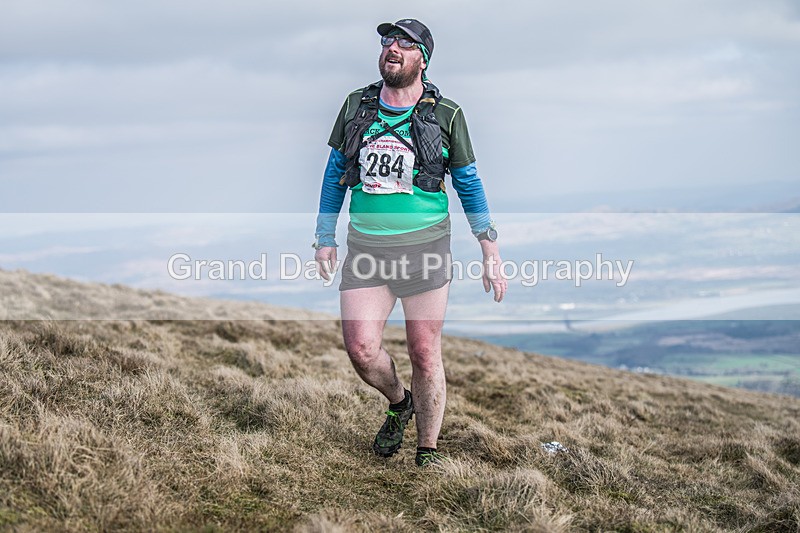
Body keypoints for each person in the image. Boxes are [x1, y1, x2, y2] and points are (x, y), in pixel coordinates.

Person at [313, 18, 506, 467]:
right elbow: (333, 175)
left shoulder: (447, 115)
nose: (392, 47)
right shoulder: (356, 105)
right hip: (366, 251)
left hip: (426, 249)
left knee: (424, 350)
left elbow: (469, 183)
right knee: (361, 349)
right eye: (387, 41)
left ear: (424, 58)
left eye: (404, 42)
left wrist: (489, 248)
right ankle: (400, 403)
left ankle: (428, 451)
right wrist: (324, 236)